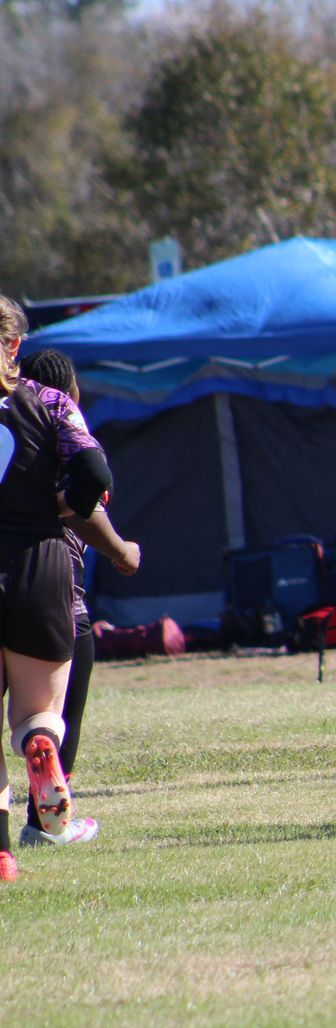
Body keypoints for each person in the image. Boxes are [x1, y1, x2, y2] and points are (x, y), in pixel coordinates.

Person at [0, 296, 118, 878]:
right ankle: (41, 747)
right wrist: (62, 502)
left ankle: (1, 853)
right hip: (42, 565)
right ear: (14, 346)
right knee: (38, 713)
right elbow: (96, 474)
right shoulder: (51, 403)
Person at [15, 349, 140, 847]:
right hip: (54, 593)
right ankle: (46, 825)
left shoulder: (12, 435)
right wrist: (121, 551)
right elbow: (84, 501)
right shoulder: (57, 422)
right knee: (53, 715)